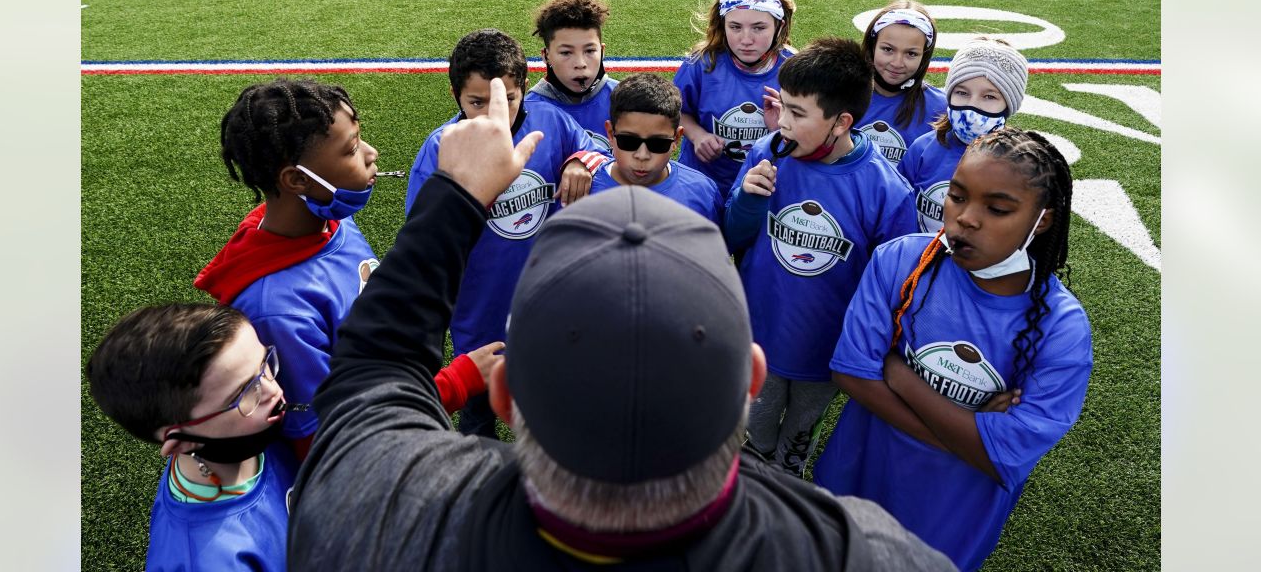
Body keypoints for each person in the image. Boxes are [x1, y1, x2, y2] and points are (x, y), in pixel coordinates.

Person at [286, 76, 958, 571]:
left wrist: (457, 193)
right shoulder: (863, 554)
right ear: (749, 380)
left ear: (505, 394)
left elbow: (372, 368)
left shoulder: (384, 507)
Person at [813, 128, 1092, 571]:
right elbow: (850, 374)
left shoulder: (1061, 328)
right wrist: (970, 432)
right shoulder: (899, 260)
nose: (966, 218)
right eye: (957, 197)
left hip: (949, 518)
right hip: (856, 480)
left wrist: (898, 374)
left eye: (997, 208)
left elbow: (1004, 459)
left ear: (1042, 221)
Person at [196, 78, 501, 460]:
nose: (371, 153)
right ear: (297, 180)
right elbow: (334, 435)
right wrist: (457, 382)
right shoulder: (278, 310)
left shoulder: (327, 222)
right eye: (352, 148)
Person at [722, 38, 917, 477]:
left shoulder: (885, 189)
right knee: (758, 428)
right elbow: (731, 238)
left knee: (799, 435)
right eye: (783, 106)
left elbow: (895, 287)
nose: (783, 123)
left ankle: (790, 476)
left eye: (797, 113)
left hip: (826, 351)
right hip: (760, 335)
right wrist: (749, 200)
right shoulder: (766, 154)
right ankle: (758, 472)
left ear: (841, 122)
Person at [405, 29, 607, 438]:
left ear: (524, 88)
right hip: (479, 313)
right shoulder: (441, 148)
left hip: (546, 306)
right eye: (476, 103)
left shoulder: (551, 122)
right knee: (478, 420)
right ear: (454, 95)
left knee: (547, 416)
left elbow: (592, 148)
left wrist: (579, 162)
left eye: (507, 100)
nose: (493, 115)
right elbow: (423, 240)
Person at [86, 304, 298, 572]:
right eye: (243, 394)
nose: (273, 390)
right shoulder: (210, 561)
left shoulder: (252, 432)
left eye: (264, 363)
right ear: (183, 441)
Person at [676, 0, 797, 199]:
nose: (746, 39)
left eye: (759, 28)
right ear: (723, 25)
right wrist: (697, 135)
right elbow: (675, 112)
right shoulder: (701, 64)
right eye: (735, 27)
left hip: (766, 187)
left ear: (779, 26)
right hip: (703, 183)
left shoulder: (796, 70)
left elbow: (812, 135)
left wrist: (783, 128)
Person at [899, 37, 1029, 234]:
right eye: (962, 93)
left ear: (1010, 104)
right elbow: (898, 213)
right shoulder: (922, 149)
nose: (972, 105)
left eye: (989, 97)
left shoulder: (1023, 166)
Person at [590, 72, 723, 224]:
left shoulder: (701, 192)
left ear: (677, 138)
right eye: (628, 141)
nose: (642, 155)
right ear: (610, 134)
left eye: (657, 144)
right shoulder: (582, 189)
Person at [526, 0, 618, 151]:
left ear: (602, 51)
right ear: (546, 56)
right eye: (566, 53)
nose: (580, 63)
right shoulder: (529, 110)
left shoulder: (624, 99)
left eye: (589, 51)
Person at [858, 0, 946, 165]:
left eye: (911, 54)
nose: (897, 63)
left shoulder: (940, 109)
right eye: (888, 49)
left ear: (924, 56)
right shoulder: (841, 94)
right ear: (872, 47)